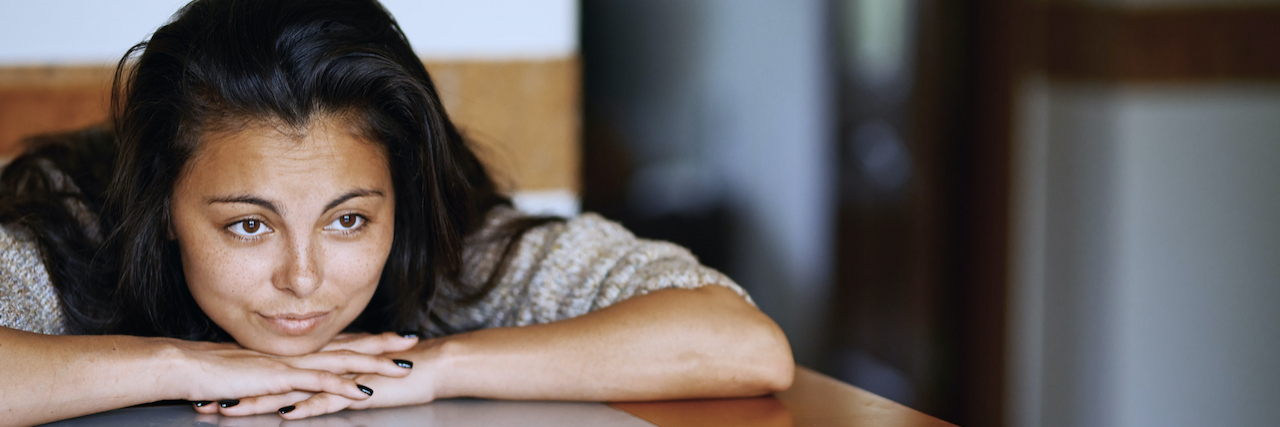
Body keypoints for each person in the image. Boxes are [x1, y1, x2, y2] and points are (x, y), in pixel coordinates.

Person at [0, 0, 793, 424]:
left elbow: (745, 344)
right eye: (249, 223)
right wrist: (182, 363)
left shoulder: (456, 249)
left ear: (400, 197)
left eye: (349, 220)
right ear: (164, 205)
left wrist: (430, 370)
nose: (303, 278)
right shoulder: (75, 224)